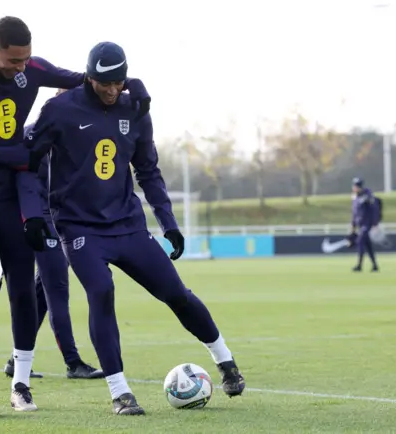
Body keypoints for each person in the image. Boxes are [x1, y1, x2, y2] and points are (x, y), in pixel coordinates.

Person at [0, 17, 149, 417]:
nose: (23, 69)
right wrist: (15, 155)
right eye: (15, 61)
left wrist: (130, 85)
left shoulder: (29, 67)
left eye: (27, 60)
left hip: (13, 196)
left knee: (22, 288)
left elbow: (83, 80)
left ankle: (21, 384)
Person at [24, 41, 245, 416]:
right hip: (79, 228)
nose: (112, 91)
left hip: (127, 225)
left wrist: (168, 222)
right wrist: (33, 215)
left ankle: (226, 362)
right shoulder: (59, 110)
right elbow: (28, 164)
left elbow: (148, 170)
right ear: (89, 78)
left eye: (119, 83)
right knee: (102, 291)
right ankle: (120, 391)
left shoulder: (136, 108)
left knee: (176, 293)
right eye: (104, 84)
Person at [4, 104, 104, 380]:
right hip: (42, 221)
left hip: (52, 220)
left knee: (42, 292)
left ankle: (16, 359)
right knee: (57, 290)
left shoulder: (70, 135)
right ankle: (73, 363)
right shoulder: (37, 135)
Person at [349, 178, 380, 272]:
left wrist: (375, 223)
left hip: (367, 224)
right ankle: (375, 265)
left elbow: (374, 210)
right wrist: (353, 225)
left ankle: (359, 265)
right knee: (368, 245)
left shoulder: (367, 196)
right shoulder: (355, 197)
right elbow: (354, 213)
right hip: (360, 224)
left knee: (360, 242)